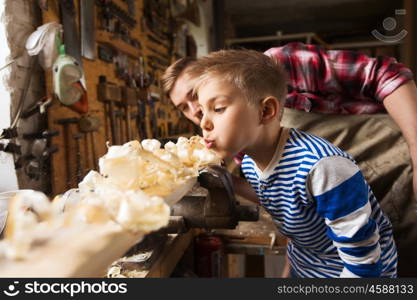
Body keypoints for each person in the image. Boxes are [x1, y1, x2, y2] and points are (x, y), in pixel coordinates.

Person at [161, 43, 417, 277]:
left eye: (197, 97)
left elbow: (386, 74)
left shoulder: (274, 68)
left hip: (403, 173)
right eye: (185, 107)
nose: (196, 113)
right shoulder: (245, 148)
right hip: (351, 225)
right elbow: (291, 202)